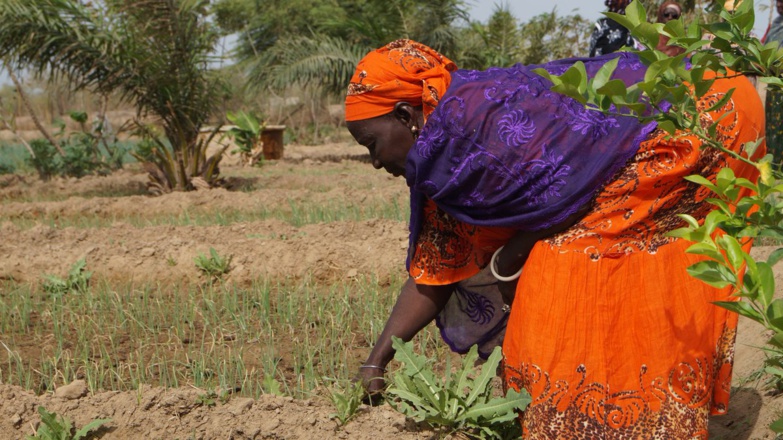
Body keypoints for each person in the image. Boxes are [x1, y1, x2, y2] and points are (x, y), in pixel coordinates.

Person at [345, 39, 764, 438]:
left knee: (563, 274)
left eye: (372, 144)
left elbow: (570, 191)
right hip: (715, 96)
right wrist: (376, 362)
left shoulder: (474, 120)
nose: (376, 160)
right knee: (604, 270)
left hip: (701, 112)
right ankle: (629, 417)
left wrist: (510, 258)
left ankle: (615, 420)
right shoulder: (441, 152)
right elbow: (437, 265)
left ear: (405, 116)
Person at [762, 0, 783, 164]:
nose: (780, 4)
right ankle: (773, 161)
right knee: (772, 122)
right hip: (774, 84)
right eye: (778, 1)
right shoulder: (776, 25)